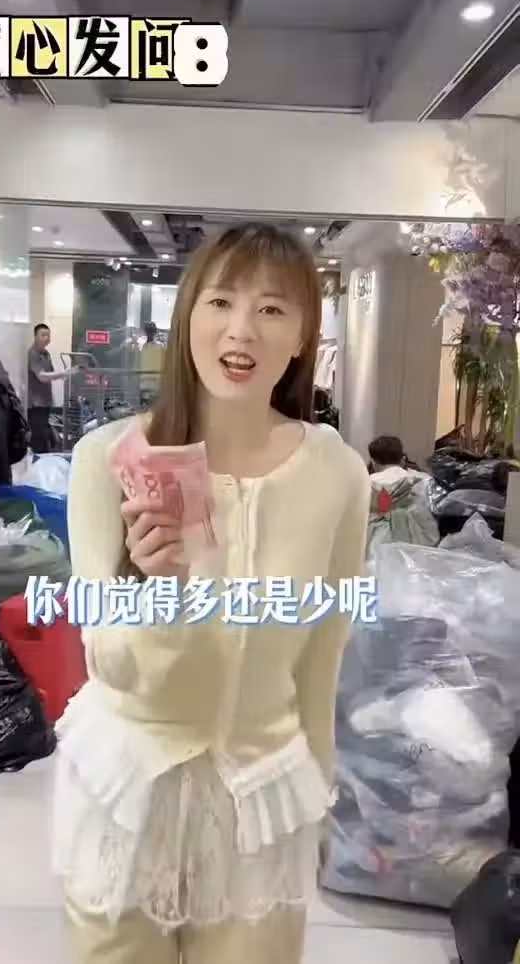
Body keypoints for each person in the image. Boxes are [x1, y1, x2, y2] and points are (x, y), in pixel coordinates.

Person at [54, 224, 371, 964]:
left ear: (303, 336)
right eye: (221, 301)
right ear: (187, 314)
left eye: (272, 309)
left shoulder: (336, 473)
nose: (241, 329)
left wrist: (320, 798)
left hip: (261, 794)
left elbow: (323, 656)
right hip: (129, 788)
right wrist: (161, 593)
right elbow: (109, 663)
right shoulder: (109, 459)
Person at [27, 324, 77, 454]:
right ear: (35, 336)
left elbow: (51, 374)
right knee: (38, 437)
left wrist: (65, 375)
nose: (46, 338)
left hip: (45, 401)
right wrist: (63, 373)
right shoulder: (33, 353)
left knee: (44, 434)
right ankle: (38, 460)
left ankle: (45, 456)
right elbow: (42, 376)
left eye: (48, 335)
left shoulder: (46, 354)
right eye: (43, 335)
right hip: (35, 403)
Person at [138, 320, 165, 407]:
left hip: (154, 383)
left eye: (150, 331)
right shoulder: (144, 346)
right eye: (148, 331)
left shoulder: (159, 346)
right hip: (146, 383)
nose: (149, 333)